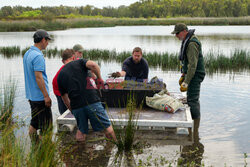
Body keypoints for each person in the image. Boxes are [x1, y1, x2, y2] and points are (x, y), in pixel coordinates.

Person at [57, 58, 116, 142]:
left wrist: (73, 110)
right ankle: (115, 148)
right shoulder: (80, 62)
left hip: (77, 106)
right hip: (92, 101)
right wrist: (99, 79)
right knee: (107, 129)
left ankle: (80, 150)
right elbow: (93, 65)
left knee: (81, 131)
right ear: (73, 57)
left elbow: (65, 99)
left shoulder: (60, 75)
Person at [172, 23, 205, 128]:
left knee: (192, 100)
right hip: (191, 74)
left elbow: (193, 65)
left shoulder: (191, 44)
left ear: (184, 31)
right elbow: (187, 63)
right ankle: (194, 124)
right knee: (190, 98)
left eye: (177, 33)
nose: (176, 36)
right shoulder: (187, 40)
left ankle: (195, 125)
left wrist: (186, 82)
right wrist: (183, 74)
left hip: (195, 75)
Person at [23, 29, 53, 141]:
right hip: (40, 98)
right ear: (43, 40)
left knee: (35, 123)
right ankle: (44, 151)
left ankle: (34, 148)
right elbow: (38, 77)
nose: (48, 43)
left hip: (31, 96)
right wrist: (46, 96)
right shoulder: (38, 56)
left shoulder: (27, 53)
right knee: (47, 128)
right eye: (47, 40)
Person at [52, 49, 75, 115]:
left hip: (63, 87)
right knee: (64, 110)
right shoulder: (66, 69)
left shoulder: (72, 64)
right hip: (58, 90)